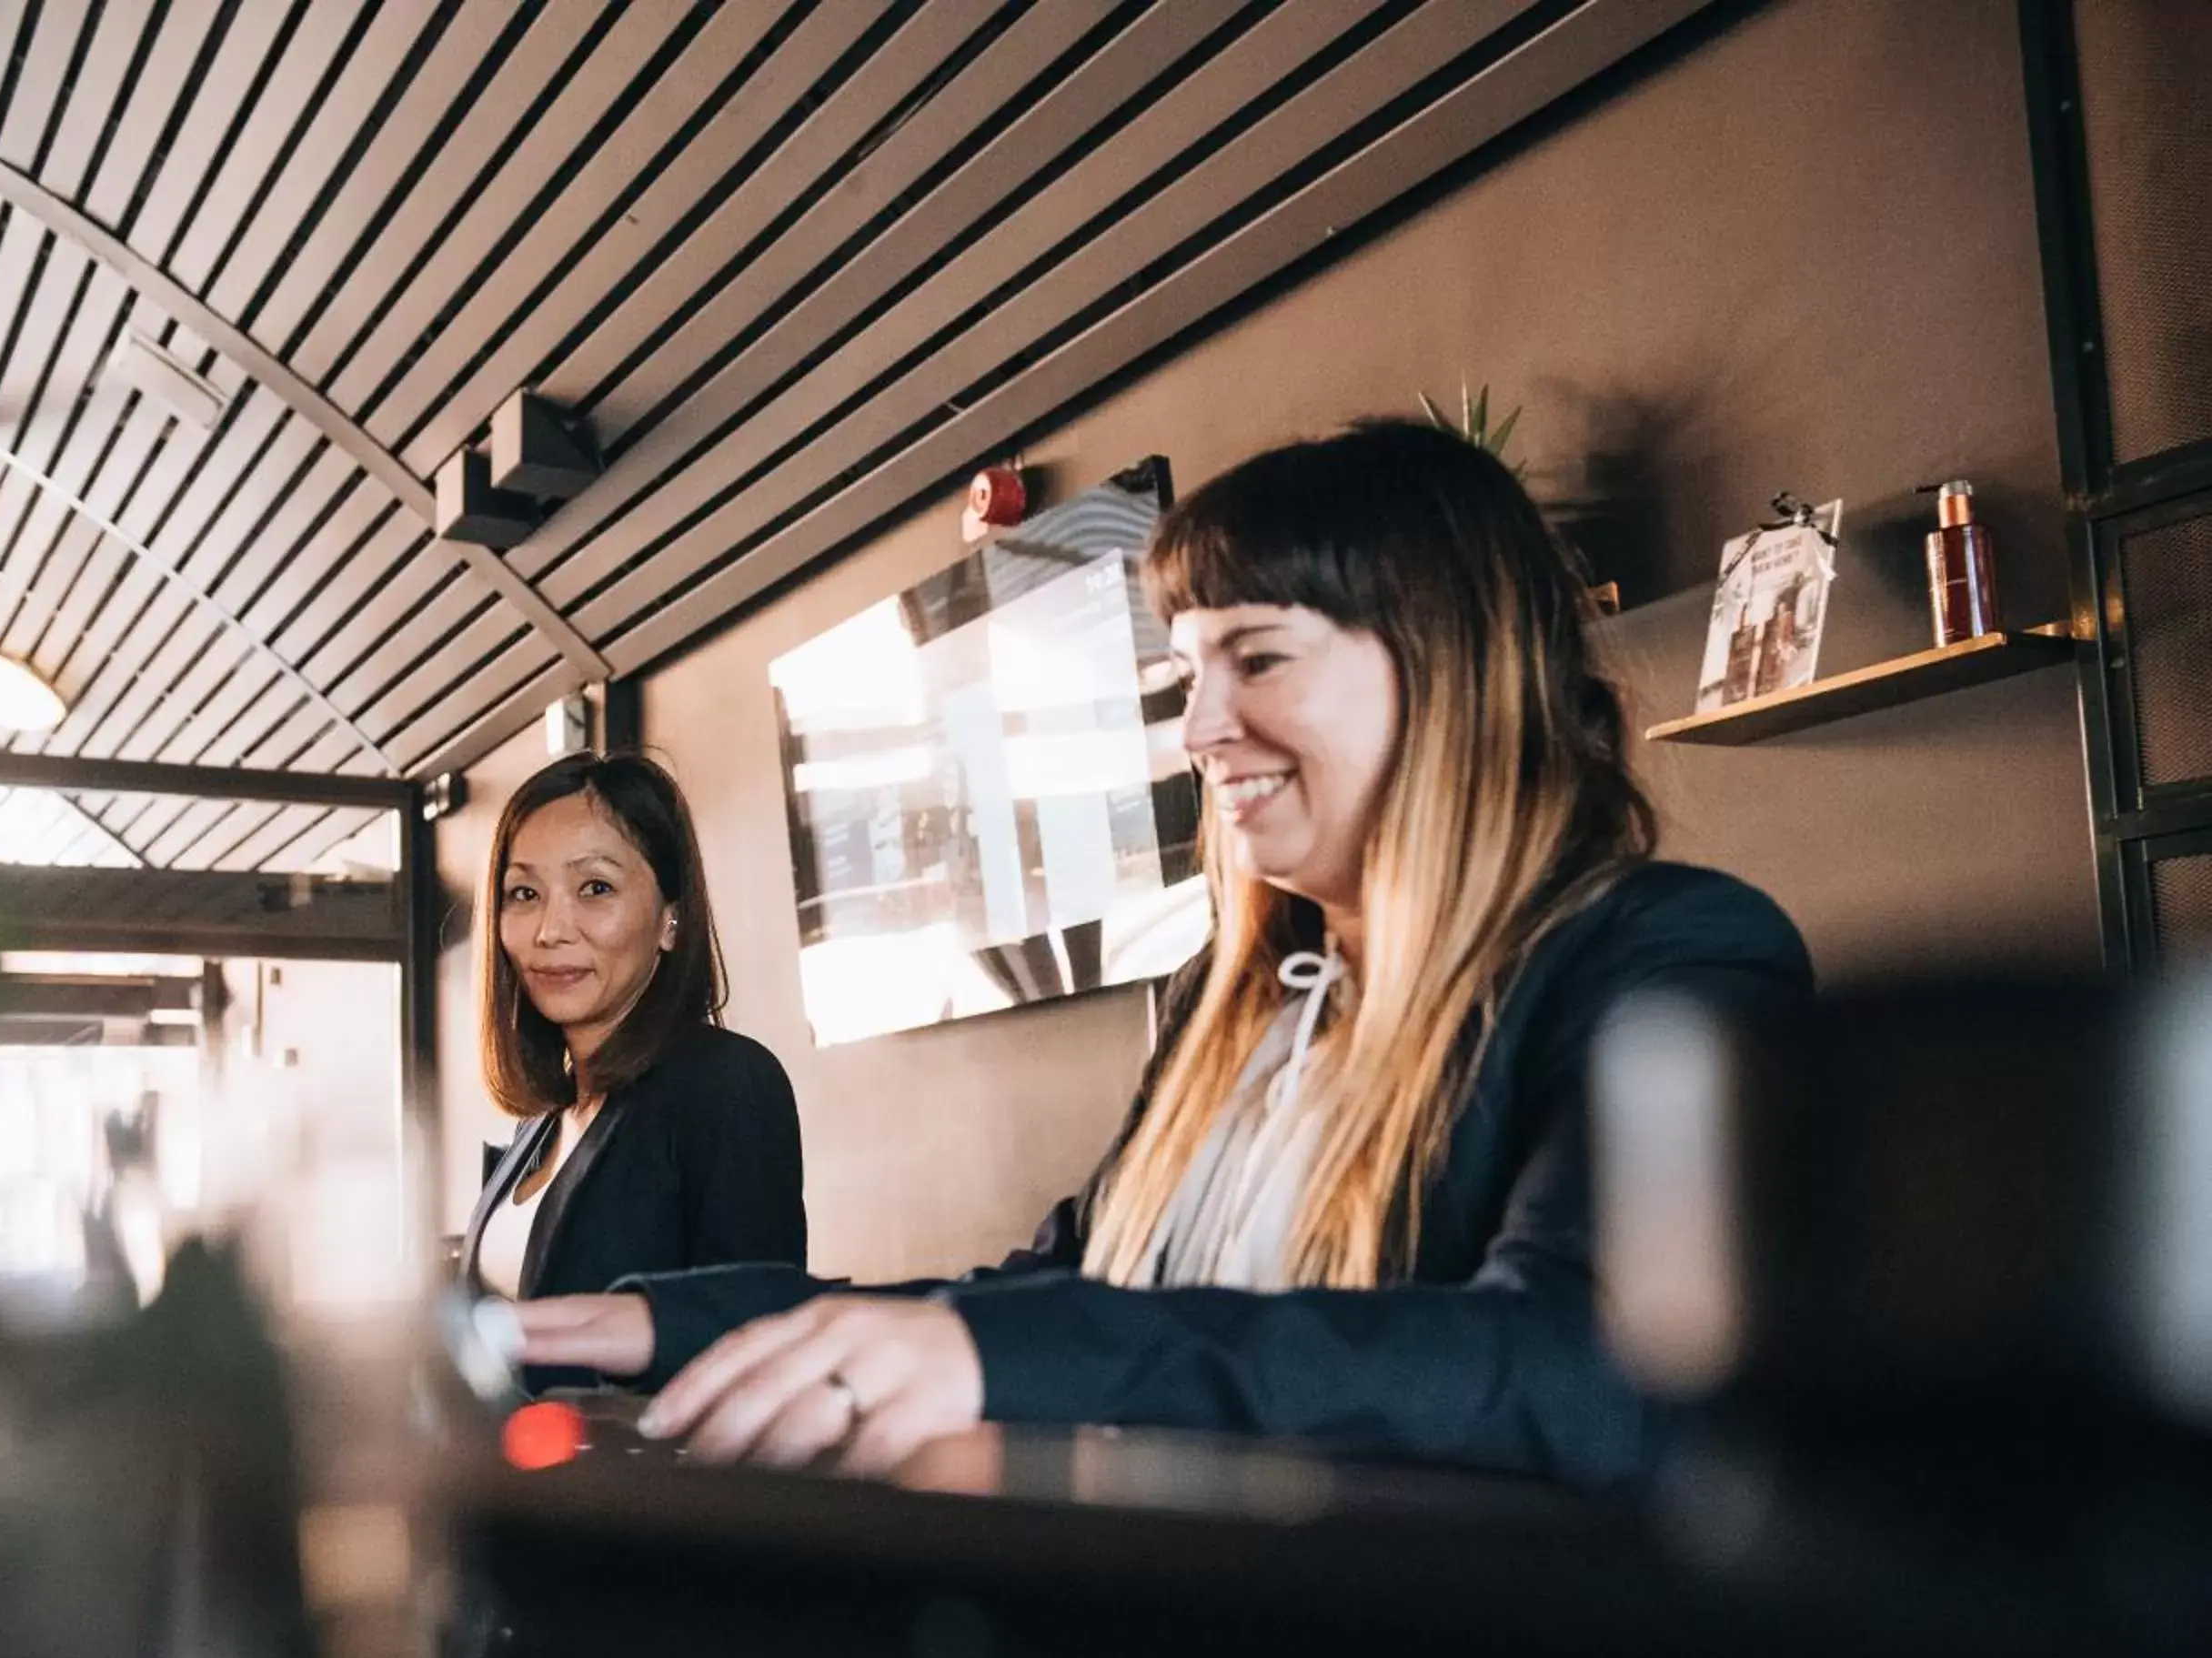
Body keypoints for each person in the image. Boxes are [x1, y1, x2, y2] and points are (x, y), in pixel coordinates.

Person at [512, 421, 1812, 1489]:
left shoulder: (1664, 957)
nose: (1198, 726)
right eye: (1187, 672)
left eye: (1255, 658)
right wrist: (651, 1321)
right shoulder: (1227, 1006)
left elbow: (1580, 1364)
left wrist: (993, 1355)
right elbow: (1060, 1290)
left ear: (1448, 667)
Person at [458, 750, 806, 1305]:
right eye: (524, 893)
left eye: (595, 888)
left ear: (671, 917)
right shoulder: (541, 1121)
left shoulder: (728, 1084)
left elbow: (748, 1327)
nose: (551, 930)